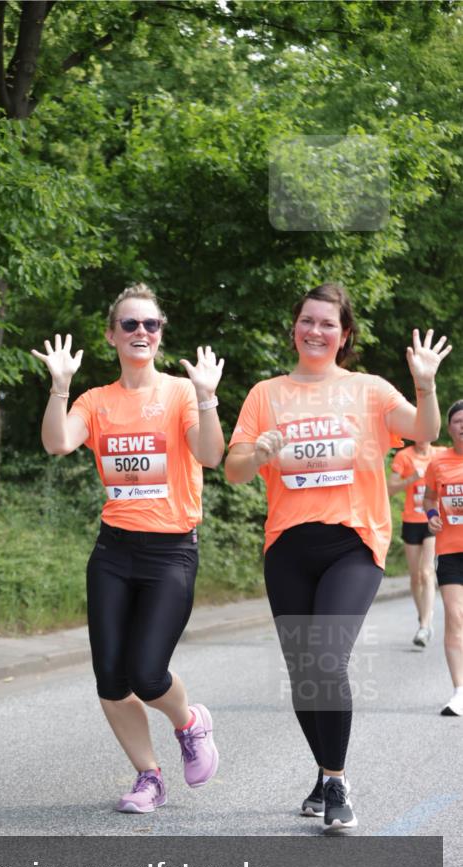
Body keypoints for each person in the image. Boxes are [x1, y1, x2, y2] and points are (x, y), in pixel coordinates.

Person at [225, 283, 451, 832]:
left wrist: (425, 385)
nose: (316, 331)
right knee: (304, 674)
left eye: (328, 323)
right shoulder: (266, 394)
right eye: (308, 320)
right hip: (287, 546)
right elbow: (233, 470)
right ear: (294, 328)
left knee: (327, 659)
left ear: (344, 334)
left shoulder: (368, 389)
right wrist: (258, 452)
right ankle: (324, 770)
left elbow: (425, 430)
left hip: (353, 542)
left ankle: (336, 779)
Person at [31, 283, 223, 813]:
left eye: (151, 324)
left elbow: (210, 454)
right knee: (112, 679)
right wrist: (60, 386)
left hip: (171, 551)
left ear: (161, 334)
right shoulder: (95, 401)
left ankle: (189, 722)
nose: (142, 332)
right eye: (131, 324)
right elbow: (57, 443)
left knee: (147, 673)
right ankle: (149, 777)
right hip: (114, 552)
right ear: (112, 335)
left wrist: (207, 398)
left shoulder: (181, 393)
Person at [423, 400, 463, 716]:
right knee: (455, 615)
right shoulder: (437, 464)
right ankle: (459, 692)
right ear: (449, 428)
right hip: (449, 550)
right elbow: (429, 499)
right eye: (458, 421)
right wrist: (432, 516)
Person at [388, 440, 442, 646]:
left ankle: (425, 627)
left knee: (427, 572)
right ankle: (423, 618)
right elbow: (389, 489)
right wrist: (411, 479)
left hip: (432, 520)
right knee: (415, 577)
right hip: (411, 521)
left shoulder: (440, 454)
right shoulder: (404, 456)